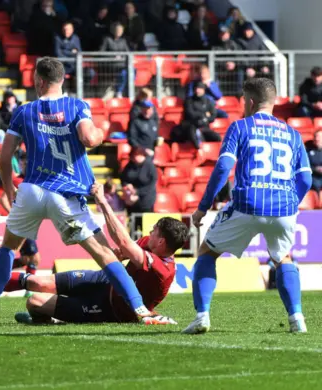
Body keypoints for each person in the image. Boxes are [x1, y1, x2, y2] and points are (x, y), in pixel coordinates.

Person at [0, 57, 173, 325]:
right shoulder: (76, 106)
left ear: (39, 81)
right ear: (62, 80)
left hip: (31, 191)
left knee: (7, 248)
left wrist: (9, 191)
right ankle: (141, 311)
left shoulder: (23, 111)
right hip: (66, 194)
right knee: (105, 255)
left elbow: (4, 159)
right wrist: (99, 132)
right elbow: (89, 138)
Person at [185, 78, 313, 335]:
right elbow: (306, 179)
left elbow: (223, 167)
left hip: (248, 202)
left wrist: (203, 206)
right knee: (282, 257)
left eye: (244, 100)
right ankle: (297, 317)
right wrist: (290, 204)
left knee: (207, 252)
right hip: (284, 207)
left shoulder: (240, 127)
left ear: (251, 102)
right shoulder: (293, 133)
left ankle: (202, 316)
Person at [0, 203, 186, 326]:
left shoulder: (161, 269)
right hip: (103, 281)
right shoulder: (148, 243)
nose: (149, 233)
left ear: (161, 241)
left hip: (109, 308)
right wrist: (112, 254)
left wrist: (102, 201)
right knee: (38, 281)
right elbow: (120, 250)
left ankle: (46, 318)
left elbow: (123, 240)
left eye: (154, 231)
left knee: (34, 301)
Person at [173, 81, 220, 148]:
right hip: (191, 127)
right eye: (196, 88)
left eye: (200, 88)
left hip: (204, 127)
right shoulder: (189, 101)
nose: (197, 90)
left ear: (204, 90)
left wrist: (204, 119)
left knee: (217, 137)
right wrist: (204, 115)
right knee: (193, 134)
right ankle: (199, 151)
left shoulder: (208, 101)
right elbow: (190, 114)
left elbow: (213, 115)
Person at [120, 147, 157, 213]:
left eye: (138, 155)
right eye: (134, 155)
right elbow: (123, 178)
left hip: (146, 200)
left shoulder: (149, 166)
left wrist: (137, 192)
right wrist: (127, 185)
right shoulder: (129, 165)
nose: (136, 157)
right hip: (131, 200)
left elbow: (152, 184)